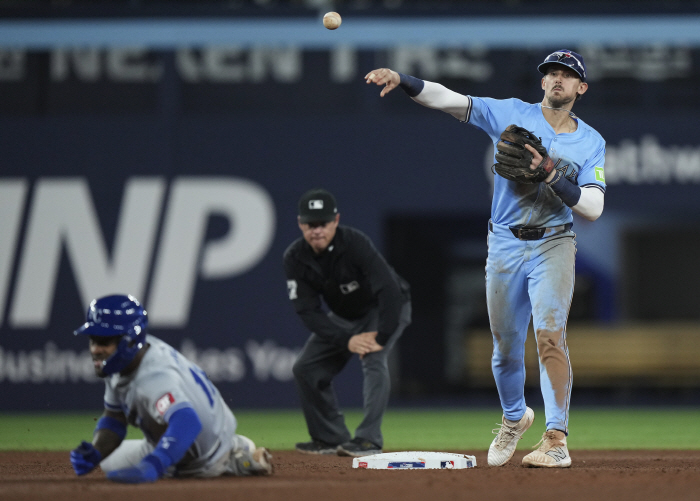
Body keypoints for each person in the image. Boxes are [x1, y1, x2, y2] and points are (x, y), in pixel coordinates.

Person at [365, 50, 606, 468]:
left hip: (554, 242)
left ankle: (555, 438)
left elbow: (593, 207)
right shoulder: (510, 114)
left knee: (550, 336)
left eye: (566, 75)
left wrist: (551, 173)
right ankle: (515, 418)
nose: (556, 79)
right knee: (505, 349)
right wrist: (403, 79)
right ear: (542, 82)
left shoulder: (591, 141)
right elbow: (448, 99)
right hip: (506, 245)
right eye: (550, 73)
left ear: (580, 88)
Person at [69, 294, 273, 483]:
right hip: (205, 435)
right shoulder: (128, 359)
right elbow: (115, 417)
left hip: (198, 458)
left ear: (129, 340)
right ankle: (232, 448)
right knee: (107, 461)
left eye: (104, 341)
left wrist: (154, 464)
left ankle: (232, 461)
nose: (95, 349)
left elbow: (187, 421)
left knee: (160, 466)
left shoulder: (154, 376)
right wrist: (96, 451)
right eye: (93, 340)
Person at [284, 188, 412, 457]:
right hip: (345, 317)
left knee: (374, 359)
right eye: (310, 224)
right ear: (300, 224)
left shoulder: (353, 243)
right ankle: (329, 438)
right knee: (305, 368)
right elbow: (307, 311)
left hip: (385, 308)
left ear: (336, 220)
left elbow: (388, 289)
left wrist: (381, 337)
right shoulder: (295, 257)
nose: (316, 230)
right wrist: (346, 340)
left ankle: (369, 440)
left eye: (323, 223)